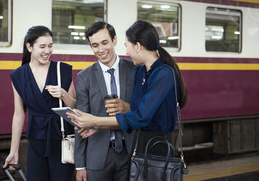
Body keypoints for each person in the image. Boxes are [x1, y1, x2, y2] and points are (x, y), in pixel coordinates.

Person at [69, 20, 188, 156]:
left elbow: (140, 117)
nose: (126, 51)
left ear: (137, 46)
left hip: (158, 145)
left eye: (127, 46)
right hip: (138, 145)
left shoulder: (164, 74)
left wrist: (96, 121)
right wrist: (100, 126)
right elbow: (134, 112)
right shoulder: (140, 71)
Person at [4, 25, 76, 181]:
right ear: (29, 47)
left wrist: (63, 94)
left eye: (50, 46)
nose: (47, 51)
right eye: (42, 46)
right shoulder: (18, 76)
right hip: (36, 139)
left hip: (62, 139)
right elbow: (18, 114)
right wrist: (13, 150)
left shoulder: (61, 69)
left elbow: (75, 107)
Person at [74, 21, 135, 181]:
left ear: (114, 40)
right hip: (97, 156)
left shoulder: (134, 69)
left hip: (130, 154)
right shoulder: (84, 77)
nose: (100, 50)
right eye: (95, 45)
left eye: (104, 43)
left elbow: (143, 110)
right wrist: (80, 165)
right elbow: (80, 122)